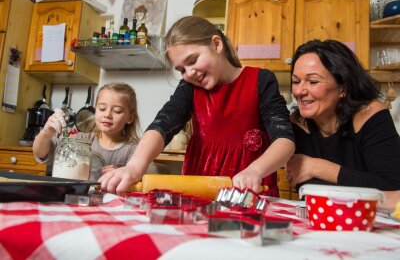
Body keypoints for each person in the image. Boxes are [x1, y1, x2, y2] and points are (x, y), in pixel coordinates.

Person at [99, 16, 295, 196]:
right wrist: (134, 167)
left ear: (217, 44)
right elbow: (162, 125)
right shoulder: (190, 87)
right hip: (200, 190)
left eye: (193, 61)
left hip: (250, 191)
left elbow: (284, 140)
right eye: (181, 69)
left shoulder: (261, 80)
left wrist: (255, 170)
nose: (189, 73)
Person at [286, 39, 400, 192]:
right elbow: (302, 185)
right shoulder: (297, 124)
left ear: (343, 88)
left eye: (312, 81)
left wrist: (318, 167)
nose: (299, 91)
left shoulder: (369, 114)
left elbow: (393, 187)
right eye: (296, 81)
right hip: (322, 214)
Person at [33, 82, 140, 180]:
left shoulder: (135, 150)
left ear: (130, 118)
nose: (107, 115)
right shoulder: (80, 140)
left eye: (117, 111)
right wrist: (46, 133)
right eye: (102, 109)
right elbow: (42, 153)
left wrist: (123, 176)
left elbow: (141, 182)